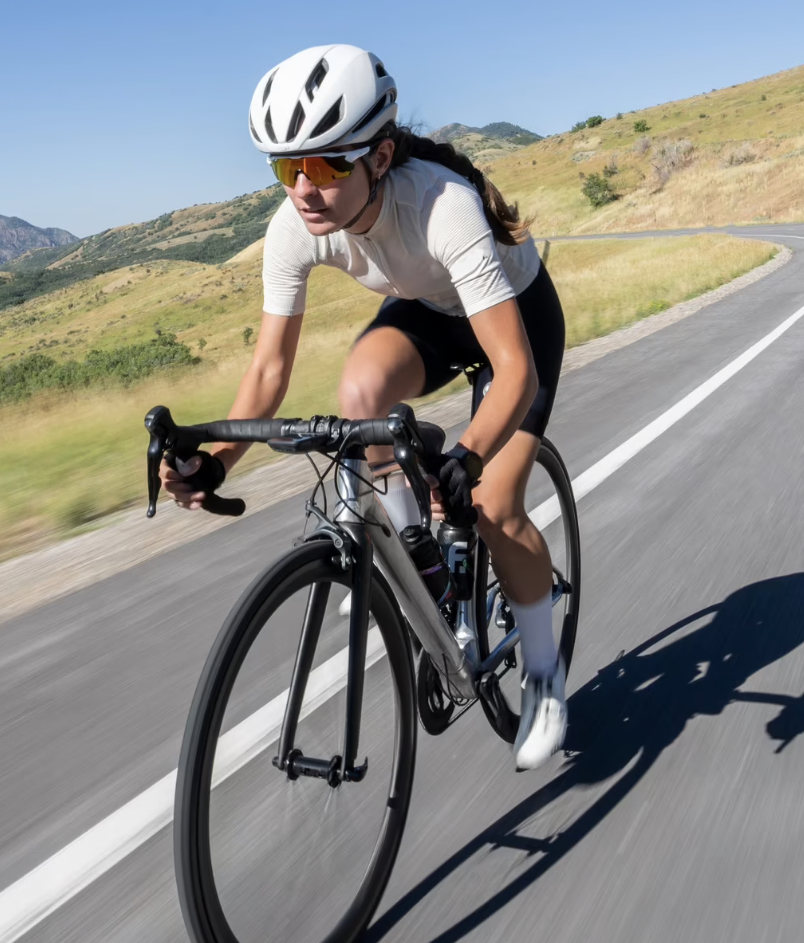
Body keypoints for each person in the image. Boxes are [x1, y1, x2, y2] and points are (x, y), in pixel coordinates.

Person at [161, 44, 567, 770]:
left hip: (515, 323)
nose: (303, 190)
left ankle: (544, 674)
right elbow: (268, 369)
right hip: (427, 311)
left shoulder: (442, 206)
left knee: (497, 502)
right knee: (358, 393)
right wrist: (215, 461)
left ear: (380, 157)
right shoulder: (293, 229)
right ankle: (418, 566)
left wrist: (468, 457)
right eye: (287, 169)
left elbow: (513, 371)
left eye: (325, 166)